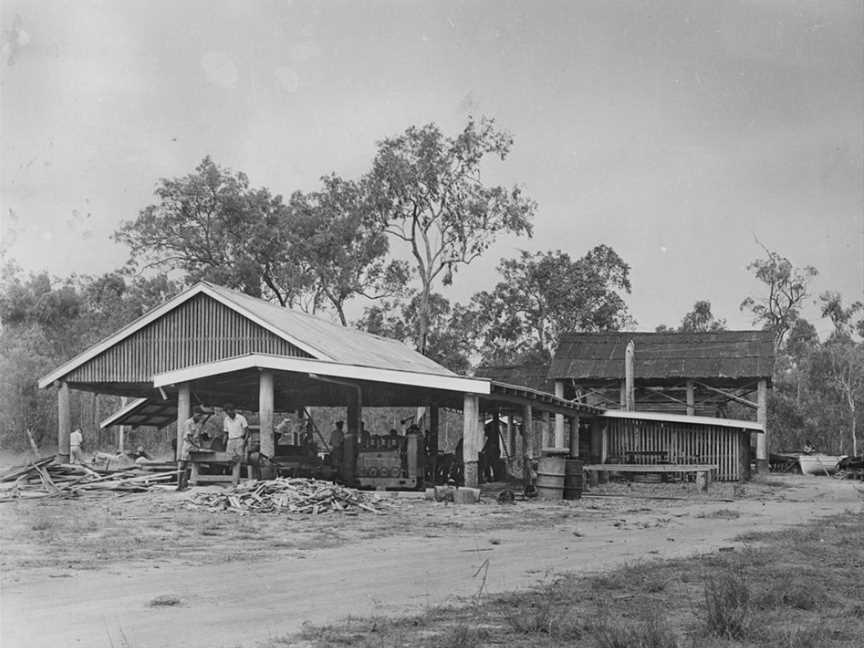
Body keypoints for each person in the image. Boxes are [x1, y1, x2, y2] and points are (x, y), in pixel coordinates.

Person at [177, 408, 205, 490]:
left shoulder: (199, 424)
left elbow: (199, 436)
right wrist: (197, 446)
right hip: (188, 445)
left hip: (196, 445)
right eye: (198, 415)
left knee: (195, 464)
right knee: (183, 465)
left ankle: (187, 483)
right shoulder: (188, 423)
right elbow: (188, 437)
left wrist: (201, 446)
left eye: (200, 416)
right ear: (194, 413)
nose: (199, 417)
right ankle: (179, 485)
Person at [480, 413, 502, 483]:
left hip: (493, 454)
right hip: (491, 454)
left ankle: (494, 478)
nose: (484, 432)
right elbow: (487, 446)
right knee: (488, 466)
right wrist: (483, 451)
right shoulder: (490, 438)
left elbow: (490, 447)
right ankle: (490, 478)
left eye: (485, 431)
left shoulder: (493, 438)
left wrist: (484, 451)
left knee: (492, 466)